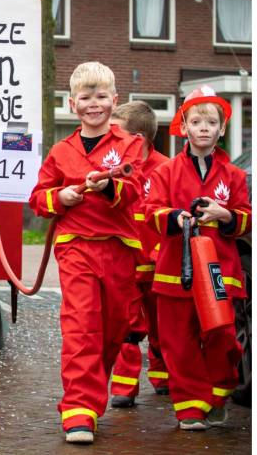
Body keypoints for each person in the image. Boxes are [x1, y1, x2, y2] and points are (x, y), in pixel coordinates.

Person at [28, 61, 145, 445]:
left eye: (101, 97)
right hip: (76, 247)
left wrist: (109, 188)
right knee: (81, 327)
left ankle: (92, 395)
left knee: (112, 329)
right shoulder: (62, 151)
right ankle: (78, 409)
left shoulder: (130, 144)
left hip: (119, 249)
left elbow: (136, 189)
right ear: (71, 103)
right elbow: (38, 198)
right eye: (85, 97)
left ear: (115, 100)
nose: (93, 104)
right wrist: (59, 196)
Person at [143, 86, 251, 431]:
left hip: (222, 273)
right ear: (184, 127)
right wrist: (175, 218)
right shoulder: (166, 172)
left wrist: (225, 214)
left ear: (222, 129)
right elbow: (150, 211)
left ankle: (217, 395)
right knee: (178, 340)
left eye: (211, 122)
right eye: (196, 121)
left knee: (223, 337)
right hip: (176, 270)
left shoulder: (234, 176)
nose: (204, 127)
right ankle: (190, 407)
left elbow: (246, 217)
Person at [108, 101, 171, 407]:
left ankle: (162, 374)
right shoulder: (117, 167)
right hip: (128, 265)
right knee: (128, 326)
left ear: (140, 140)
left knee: (163, 325)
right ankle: (124, 387)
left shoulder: (167, 170)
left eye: (117, 134)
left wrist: (162, 250)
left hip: (161, 265)